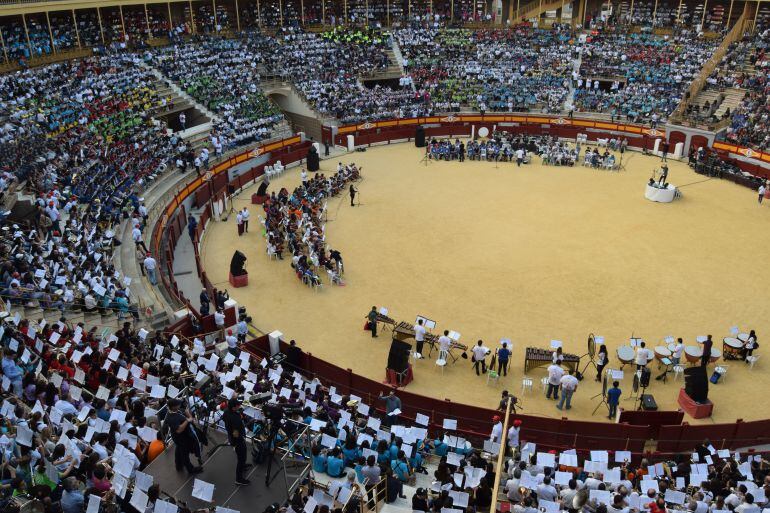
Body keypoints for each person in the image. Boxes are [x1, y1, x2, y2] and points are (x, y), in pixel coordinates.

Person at [164, 399, 203, 474]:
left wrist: (188, 414)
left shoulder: (177, 411)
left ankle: (178, 465)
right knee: (185, 453)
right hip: (180, 438)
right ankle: (190, 469)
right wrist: (187, 421)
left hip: (183, 436)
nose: (180, 405)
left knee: (179, 449)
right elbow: (179, 430)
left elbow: (189, 418)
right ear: (173, 407)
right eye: (178, 404)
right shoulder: (171, 418)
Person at [222, 398, 251, 485]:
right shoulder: (234, 418)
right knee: (241, 458)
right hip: (238, 440)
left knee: (243, 454)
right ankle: (239, 479)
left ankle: (243, 466)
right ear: (234, 407)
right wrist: (238, 441)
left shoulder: (227, 412)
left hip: (233, 438)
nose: (239, 406)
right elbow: (235, 432)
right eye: (238, 405)